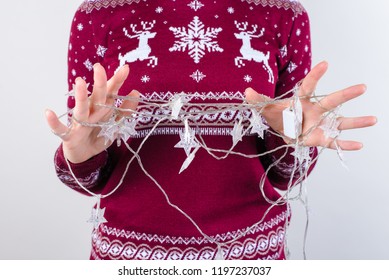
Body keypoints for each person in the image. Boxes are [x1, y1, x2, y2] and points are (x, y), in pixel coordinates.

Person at [46, 0, 376, 260]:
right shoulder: (97, 16)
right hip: (127, 255)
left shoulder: (283, 16)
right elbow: (90, 176)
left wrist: (293, 142)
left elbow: (285, 174)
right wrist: (78, 158)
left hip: (251, 255)